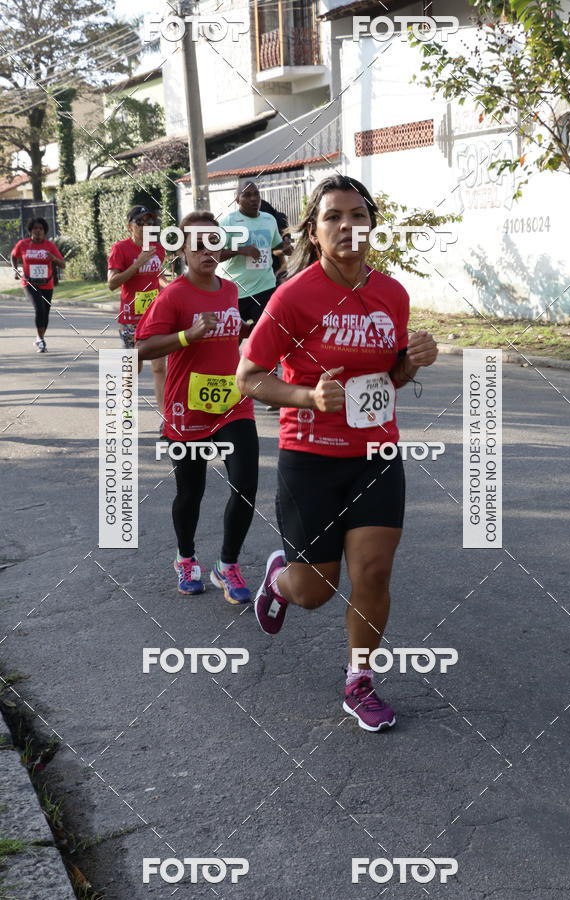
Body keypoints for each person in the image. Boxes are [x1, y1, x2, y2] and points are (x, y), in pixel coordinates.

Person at [236, 174, 438, 732]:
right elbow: (248, 378)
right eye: (333, 216)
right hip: (311, 455)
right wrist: (306, 394)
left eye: (357, 214)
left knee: (372, 573)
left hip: (376, 453)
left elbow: (390, 377)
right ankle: (280, 580)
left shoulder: (391, 293)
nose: (348, 225)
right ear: (315, 230)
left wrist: (412, 360)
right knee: (315, 591)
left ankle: (359, 681)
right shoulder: (295, 295)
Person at [136, 210, 258, 603]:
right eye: (198, 244)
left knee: (245, 483)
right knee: (191, 493)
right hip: (187, 408)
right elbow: (143, 347)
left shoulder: (229, 290)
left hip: (232, 403)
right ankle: (186, 558)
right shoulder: (173, 295)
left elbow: (224, 336)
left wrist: (240, 331)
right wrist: (187, 336)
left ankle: (227, 565)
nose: (208, 250)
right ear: (184, 251)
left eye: (214, 242)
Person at [107, 205, 169, 416]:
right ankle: (124, 410)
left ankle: (164, 417)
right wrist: (137, 264)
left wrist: (168, 286)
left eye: (150, 222)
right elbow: (112, 283)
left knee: (160, 367)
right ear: (129, 226)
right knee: (135, 367)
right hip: (131, 317)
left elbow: (158, 276)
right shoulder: (120, 249)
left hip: (156, 316)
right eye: (140, 222)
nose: (146, 226)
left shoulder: (158, 248)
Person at [218, 180, 285, 326]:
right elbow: (215, 255)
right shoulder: (228, 222)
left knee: (264, 333)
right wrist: (240, 250)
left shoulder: (270, 219)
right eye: (247, 195)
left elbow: (276, 246)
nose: (253, 198)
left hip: (265, 287)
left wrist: (286, 248)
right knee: (233, 337)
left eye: (256, 194)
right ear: (237, 200)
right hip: (237, 291)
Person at [11, 217, 65, 353]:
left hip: (47, 284)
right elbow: (13, 255)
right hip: (29, 282)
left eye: (41, 229)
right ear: (30, 231)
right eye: (35, 228)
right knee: (39, 308)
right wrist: (15, 269)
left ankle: (39, 337)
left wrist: (53, 258)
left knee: (45, 313)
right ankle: (41, 340)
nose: (38, 231)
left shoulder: (50, 246)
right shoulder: (23, 244)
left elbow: (62, 264)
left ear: (45, 231)